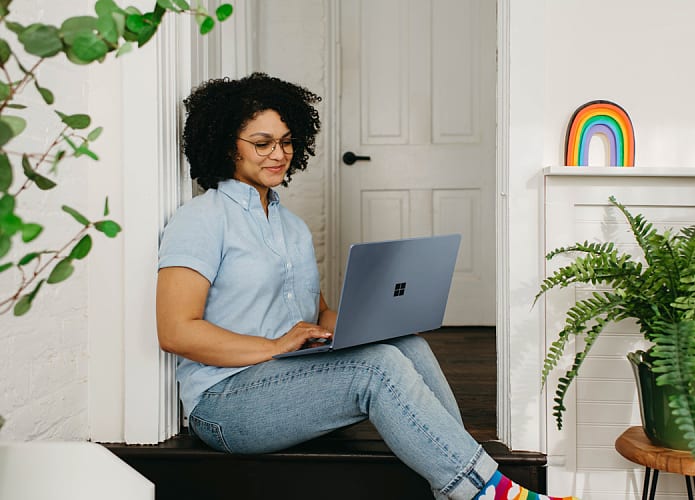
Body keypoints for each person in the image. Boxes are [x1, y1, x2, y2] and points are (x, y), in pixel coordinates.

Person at [156, 73, 576, 500]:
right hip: (225, 402)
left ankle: (471, 480)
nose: (279, 154)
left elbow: (316, 313)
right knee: (378, 367)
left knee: (406, 347)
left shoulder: (292, 226)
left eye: (286, 141)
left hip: (285, 376)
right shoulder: (202, 220)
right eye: (262, 143)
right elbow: (175, 330)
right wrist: (274, 346)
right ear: (228, 145)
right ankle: (486, 490)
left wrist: (376, 324)